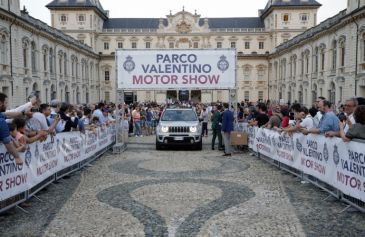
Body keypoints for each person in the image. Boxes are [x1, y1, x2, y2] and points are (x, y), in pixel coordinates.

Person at [0, 93, 23, 165]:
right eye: (6, 102)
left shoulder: (1, 115)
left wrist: (22, 113)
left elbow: (7, 114)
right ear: (0, 103)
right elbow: (8, 143)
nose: (7, 105)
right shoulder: (1, 121)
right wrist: (17, 157)